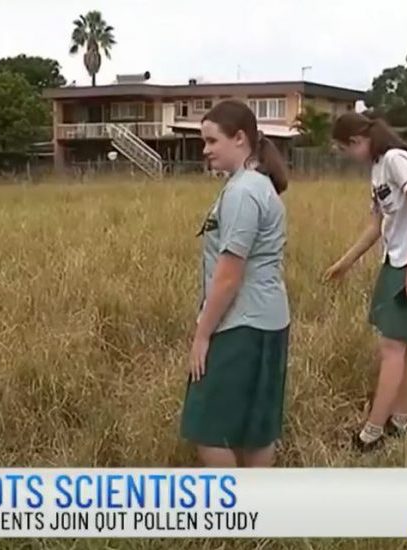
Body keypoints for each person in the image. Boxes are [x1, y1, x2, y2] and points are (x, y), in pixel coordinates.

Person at [324, 112, 407, 452]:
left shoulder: (396, 160)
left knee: (391, 348)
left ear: (357, 141)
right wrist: (344, 263)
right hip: (396, 261)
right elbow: (376, 226)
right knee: (399, 346)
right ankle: (400, 421)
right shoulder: (377, 170)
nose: (347, 156)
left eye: (345, 148)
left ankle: (372, 432)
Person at [181, 100, 291, 467]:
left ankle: (232, 516)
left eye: (212, 141)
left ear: (240, 138)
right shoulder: (255, 186)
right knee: (255, 427)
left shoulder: (244, 192)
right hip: (269, 320)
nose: (206, 150)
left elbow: (229, 275)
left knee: (208, 427)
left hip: (240, 324)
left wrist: (202, 333)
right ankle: (256, 516)